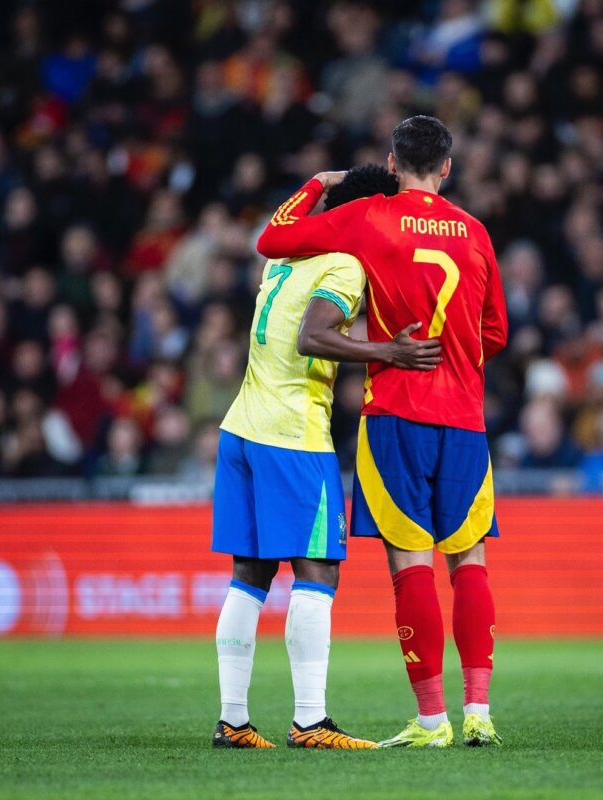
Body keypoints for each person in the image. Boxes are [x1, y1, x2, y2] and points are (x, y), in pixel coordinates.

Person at [257, 116, 508, 748]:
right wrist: (454, 358)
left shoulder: (370, 215)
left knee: (411, 566)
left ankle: (432, 723)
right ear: (447, 168)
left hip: (396, 414)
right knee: (470, 561)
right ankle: (479, 712)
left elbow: (272, 239)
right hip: (465, 422)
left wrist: (318, 181)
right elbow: (496, 331)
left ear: (393, 164)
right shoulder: (475, 232)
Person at [211, 165, 441, 751]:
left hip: (242, 428)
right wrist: (388, 351)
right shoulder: (343, 264)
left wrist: (315, 181)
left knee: (250, 576)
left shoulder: (283, 258)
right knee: (317, 571)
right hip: (293, 435)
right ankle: (310, 722)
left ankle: (233, 721)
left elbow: (278, 228)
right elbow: (311, 337)